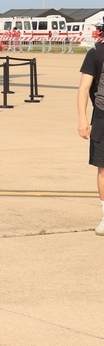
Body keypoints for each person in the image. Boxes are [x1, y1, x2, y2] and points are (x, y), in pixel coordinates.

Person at [76, 23, 104, 235]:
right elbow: (84, 88)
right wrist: (82, 119)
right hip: (102, 116)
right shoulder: (95, 54)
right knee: (103, 168)